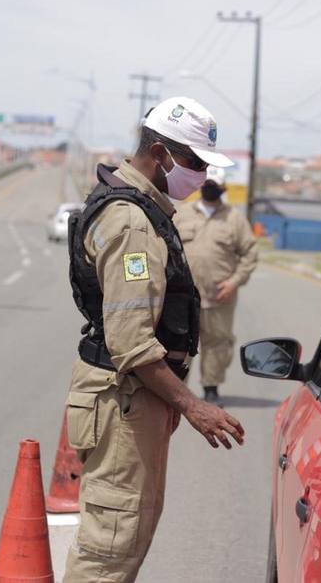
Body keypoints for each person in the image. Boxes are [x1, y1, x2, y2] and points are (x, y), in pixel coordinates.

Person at [63, 97, 245, 583]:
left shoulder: (145, 209)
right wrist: (192, 404)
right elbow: (131, 342)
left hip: (132, 401)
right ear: (161, 153)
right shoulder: (131, 222)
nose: (201, 173)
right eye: (194, 161)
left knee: (127, 536)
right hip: (124, 400)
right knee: (110, 548)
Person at [174, 168, 258, 404]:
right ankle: (176, 392)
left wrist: (234, 282)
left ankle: (211, 389)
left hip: (219, 297)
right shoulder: (182, 214)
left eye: (215, 185)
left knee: (217, 345)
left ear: (223, 189)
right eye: (207, 183)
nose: (210, 188)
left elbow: (250, 254)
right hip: (183, 298)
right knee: (179, 345)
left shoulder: (234, 219)